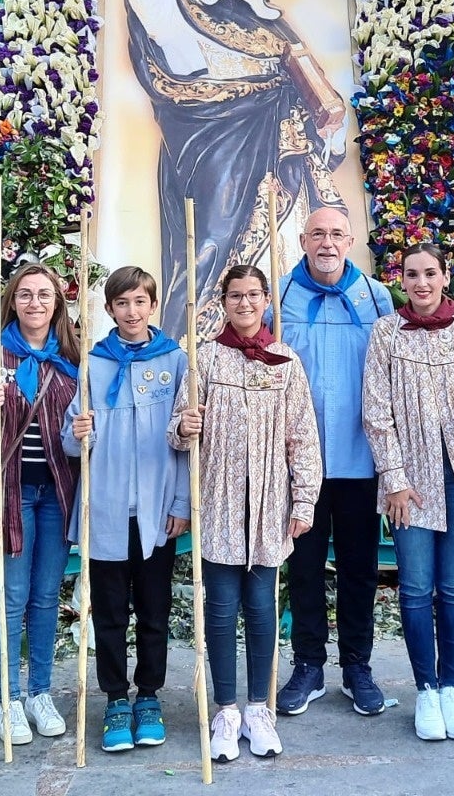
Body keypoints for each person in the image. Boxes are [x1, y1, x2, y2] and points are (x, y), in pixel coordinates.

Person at [120, 0, 350, 339]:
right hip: (214, 136)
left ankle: (277, 336)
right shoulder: (185, 5)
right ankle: (199, 339)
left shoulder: (270, 16)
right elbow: (152, 8)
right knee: (210, 237)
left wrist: (331, 125)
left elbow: (307, 84)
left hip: (279, 136)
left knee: (283, 230)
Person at [171, 264, 323, 762]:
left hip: (269, 505)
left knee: (260, 607)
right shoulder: (206, 359)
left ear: (265, 300)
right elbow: (176, 431)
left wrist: (304, 500)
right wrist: (185, 426)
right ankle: (226, 710)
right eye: (235, 295)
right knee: (219, 609)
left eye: (253, 295)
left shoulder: (285, 362)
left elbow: (302, 438)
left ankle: (259, 707)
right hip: (219, 501)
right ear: (224, 302)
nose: (245, 304)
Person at [361, 242, 454, 742]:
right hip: (410, 480)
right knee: (416, 586)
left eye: (430, 273)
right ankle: (425, 689)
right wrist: (394, 479)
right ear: (402, 280)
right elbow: (376, 411)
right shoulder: (387, 332)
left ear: (445, 277)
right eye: (412, 274)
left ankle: (451, 688)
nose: (421, 283)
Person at [63, 265, 191, 753]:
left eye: (140, 301)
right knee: (109, 611)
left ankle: (149, 695)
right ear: (110, 309)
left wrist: (181, 502)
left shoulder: (175, 360)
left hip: (157, 511)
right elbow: (72, 442)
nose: (132, 311)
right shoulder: (92, 364)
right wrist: (79, 434)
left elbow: (185, 440)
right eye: (122, 303)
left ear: (153, 306)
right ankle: (116, 697)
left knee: (155, 609)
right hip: (107, 509)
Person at [275, 206, 396, 717]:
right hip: (297, 461)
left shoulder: (376, 297)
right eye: (318, 233)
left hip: (358, 455)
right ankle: (307, 665)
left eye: (337, 235)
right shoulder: (278, 295)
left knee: (359, 567)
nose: (327, 243)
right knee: (303, 567)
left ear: (350, 242)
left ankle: (357, 666)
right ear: (303, 240)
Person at [0, 264, 82, 747]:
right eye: (26, 294)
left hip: (56, 493)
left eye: (44, 295)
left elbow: (80, 428)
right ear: (12, 301)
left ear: (57, 303)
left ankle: (39, 693)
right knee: (11, 597)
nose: (35, 303)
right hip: (10, 495)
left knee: (47, 597)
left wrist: (85, 430)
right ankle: (8, 698)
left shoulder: (72, 356)